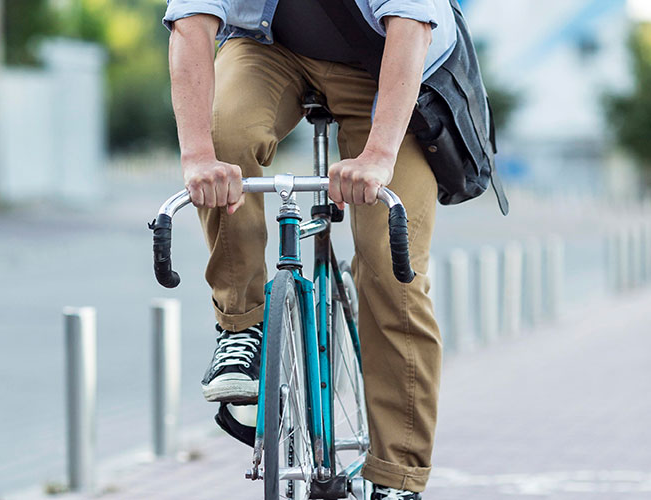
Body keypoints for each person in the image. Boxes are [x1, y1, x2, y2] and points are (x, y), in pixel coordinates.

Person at [163, 1, 456, 498]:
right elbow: (191, 23)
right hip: (271, 49)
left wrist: (379, 157)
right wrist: (197, 159)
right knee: (224, 137)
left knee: (390, 263)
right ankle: (242, 327)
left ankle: (397, 477)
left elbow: (410, 27)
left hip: (386, 59)